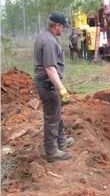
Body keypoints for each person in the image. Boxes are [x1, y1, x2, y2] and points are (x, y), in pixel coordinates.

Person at [34, 11, 74, 162]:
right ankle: (51, 151)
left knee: (56, 110)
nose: (64, 30)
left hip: (48, 82)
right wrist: (61, 88)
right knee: (52, 116)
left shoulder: (44, 35)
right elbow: (50, 68)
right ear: (57, 26)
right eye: (63, 27)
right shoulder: (49, 41)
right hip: (47, 83)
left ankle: (61, 141)